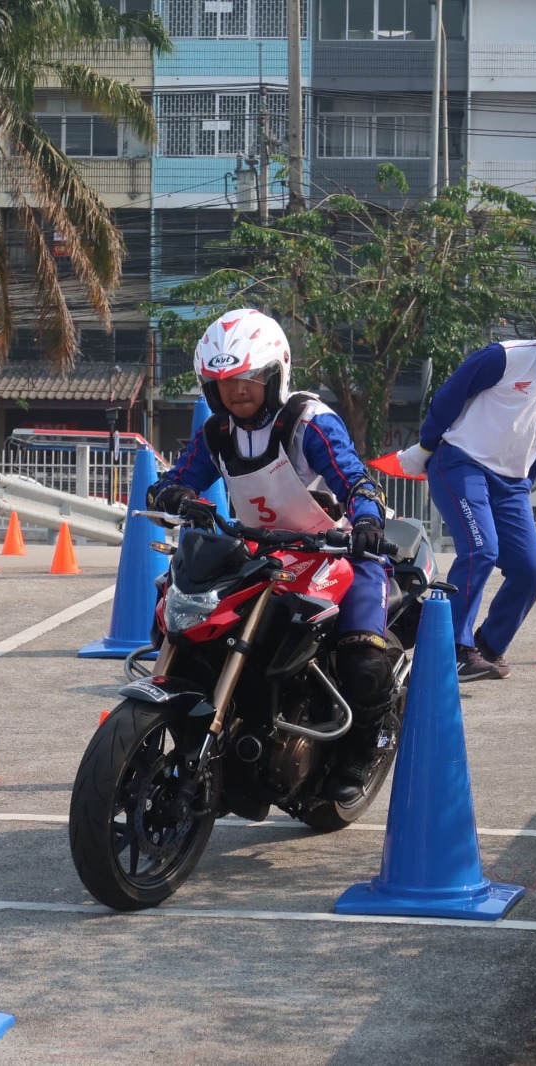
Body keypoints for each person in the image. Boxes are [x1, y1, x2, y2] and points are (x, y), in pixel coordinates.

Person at [148, 308, 394, 804]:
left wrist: (366, 520)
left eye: (248, 378)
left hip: (337, 547)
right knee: (179, 618)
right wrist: (170, 495)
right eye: (223, 382)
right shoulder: (217, 432)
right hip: (263, 553)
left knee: (364, 652)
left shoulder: (309, 422)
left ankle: (367, 745)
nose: (237, 390)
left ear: (275, 373)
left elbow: (356, 480)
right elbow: (177, 481)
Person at [395, 297, 536, 682]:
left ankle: (486, 648)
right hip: (461, 461)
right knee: (481, 550)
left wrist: (521, 476)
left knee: (529, 572)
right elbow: (450, 395)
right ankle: (452, 648)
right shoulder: (504, 358)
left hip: (511, 484)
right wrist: (427, 445)